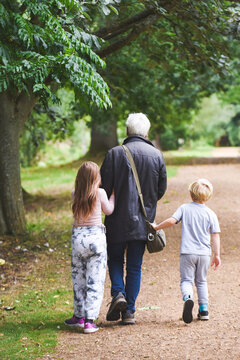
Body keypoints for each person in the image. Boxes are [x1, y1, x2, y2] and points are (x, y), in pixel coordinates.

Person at [100, 113, 167, 325]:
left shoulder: (114, 154)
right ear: (146, 132)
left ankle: (118, 294)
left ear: (127, 131)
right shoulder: (156, 155)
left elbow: (104, 188)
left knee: (115, 259)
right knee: (135, 266)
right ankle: (129, 311)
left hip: (116, 219)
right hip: (143, 221)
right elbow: (161, 189)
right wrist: (147, 203)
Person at [151, 178, 221, 324]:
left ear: (191, 194)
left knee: (186, 280)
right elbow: (215, 235)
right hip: (204, 254)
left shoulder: (184, 208)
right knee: (201, 281)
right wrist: (217, 255)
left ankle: (188, 298)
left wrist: (156, 227)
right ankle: (203, 310)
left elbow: (171, 221)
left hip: (188, 253)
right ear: (208, 196)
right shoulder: (211, 213)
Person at [64, 161, 114, 333]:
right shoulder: (100, 193)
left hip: (78, 239)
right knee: (95, 280)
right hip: (96, 240)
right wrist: (113, 196)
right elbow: (108, 211)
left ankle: (78, 316)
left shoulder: (74, 193)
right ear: (96, 177)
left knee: (78, 279)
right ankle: (89, 320)